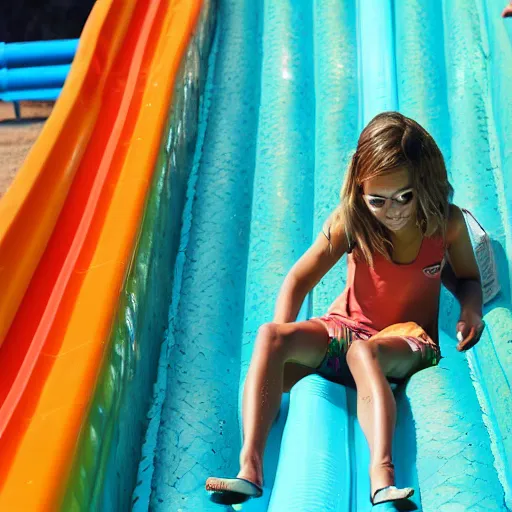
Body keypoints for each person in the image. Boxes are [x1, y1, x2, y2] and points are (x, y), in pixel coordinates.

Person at [205, 112, 485, 506]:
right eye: (379, 201)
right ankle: (249, 467)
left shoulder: (444, 224)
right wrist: (282, 346)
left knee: (363, 352)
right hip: (346, 329)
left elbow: (469, 280)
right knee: (270, 335)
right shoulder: (352, 222)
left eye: (406, 196)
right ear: (360, 190)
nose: (394, 210)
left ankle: (382, 474)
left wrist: (470, 311)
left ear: (424, 181)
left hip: (407, 340)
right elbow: (298, 279)